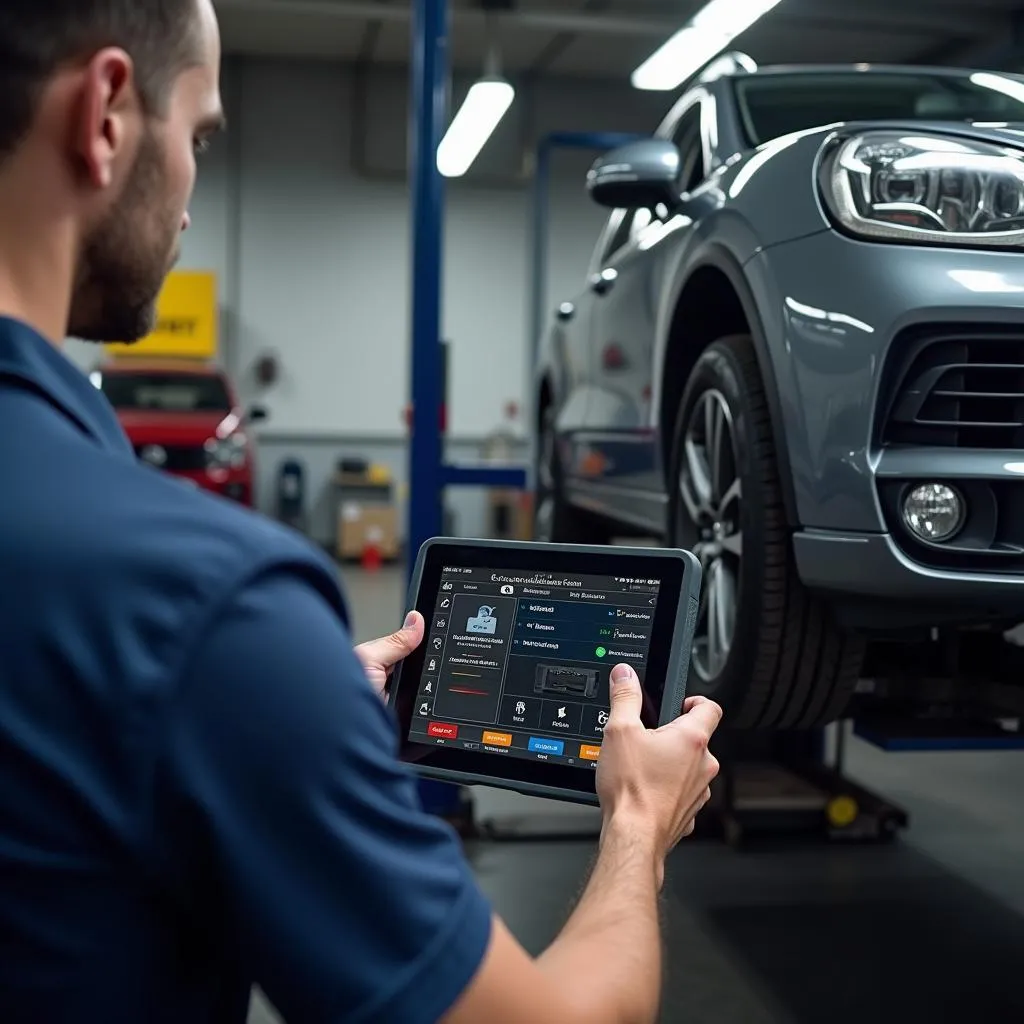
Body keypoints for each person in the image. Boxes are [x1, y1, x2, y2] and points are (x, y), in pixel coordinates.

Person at [0, 2, 723, 1022]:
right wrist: (640, 823)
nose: (194, 191)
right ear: (108, 113)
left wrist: (267, 705)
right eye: (199, 134)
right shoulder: (208, 602)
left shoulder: (191, 628)